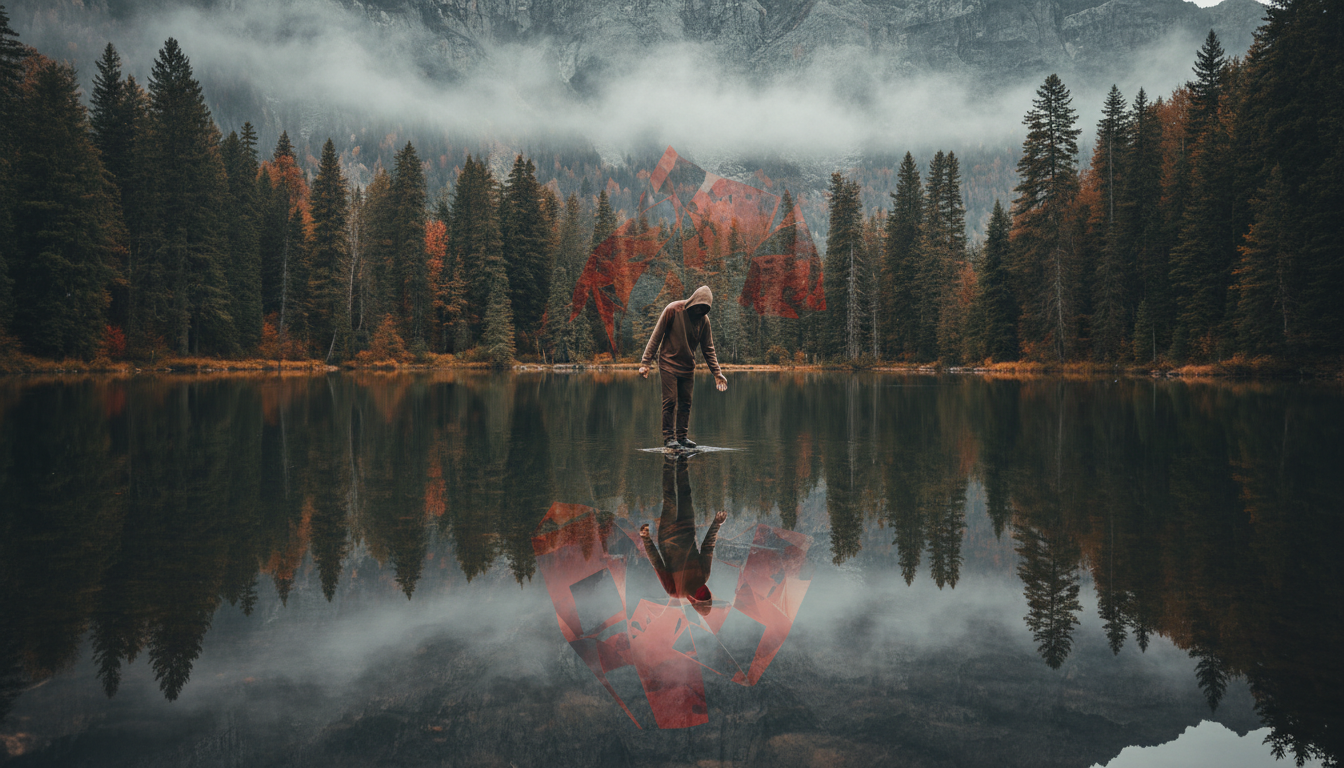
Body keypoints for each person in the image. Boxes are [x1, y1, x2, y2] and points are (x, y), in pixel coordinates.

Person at [638, 285, 728, 450]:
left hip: (688, 367)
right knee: (670, 401)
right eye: (698, 306)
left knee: (686, 402)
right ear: (693, 301)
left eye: (704, 308)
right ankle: (668, 438)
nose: (699, 310)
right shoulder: (673, 310)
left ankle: (682, 437)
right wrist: (646, 363)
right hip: (668, 363)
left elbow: (708, 349)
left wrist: (717, 373)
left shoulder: (704, 321)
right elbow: (656, 335)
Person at [640, 456, 727, 616]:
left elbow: (657, 563)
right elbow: (708, 546)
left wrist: (646, 539)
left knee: (670, 498)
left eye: (702, 596)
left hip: (668, 535)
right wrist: (716, 524)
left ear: (693, 601)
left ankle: (669, 460)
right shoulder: (704, 575)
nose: (703, 591)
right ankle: (682, 458)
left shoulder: (674, 591)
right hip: (687, 528)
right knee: (685, 493)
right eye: (707, 594)